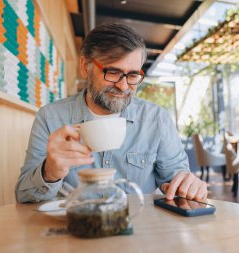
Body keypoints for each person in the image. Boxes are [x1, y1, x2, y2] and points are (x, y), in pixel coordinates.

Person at [15, 23, 207, 203]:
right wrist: (49, 172)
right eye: (113, 72)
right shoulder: (50, 118)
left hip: (140, 232)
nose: (123, 86)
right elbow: (24, 196)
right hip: (74, 232)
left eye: (132, 75)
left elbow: (177, 181)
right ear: (85, 67)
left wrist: (189, 186)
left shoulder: (157, 119)